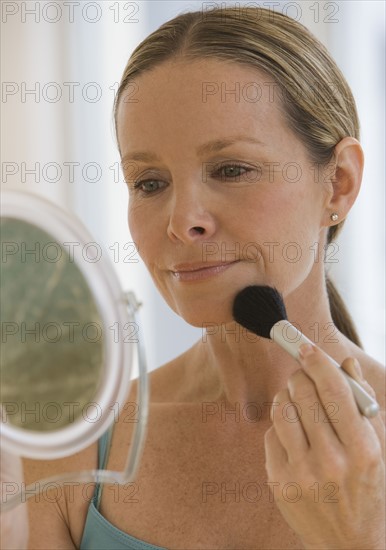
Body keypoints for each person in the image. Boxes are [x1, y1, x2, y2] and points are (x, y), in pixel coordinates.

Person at [3, 6, 385, 549]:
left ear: (339, 184)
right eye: (150, 182)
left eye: (232, 170)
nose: (184, 222)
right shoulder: (70, 452)